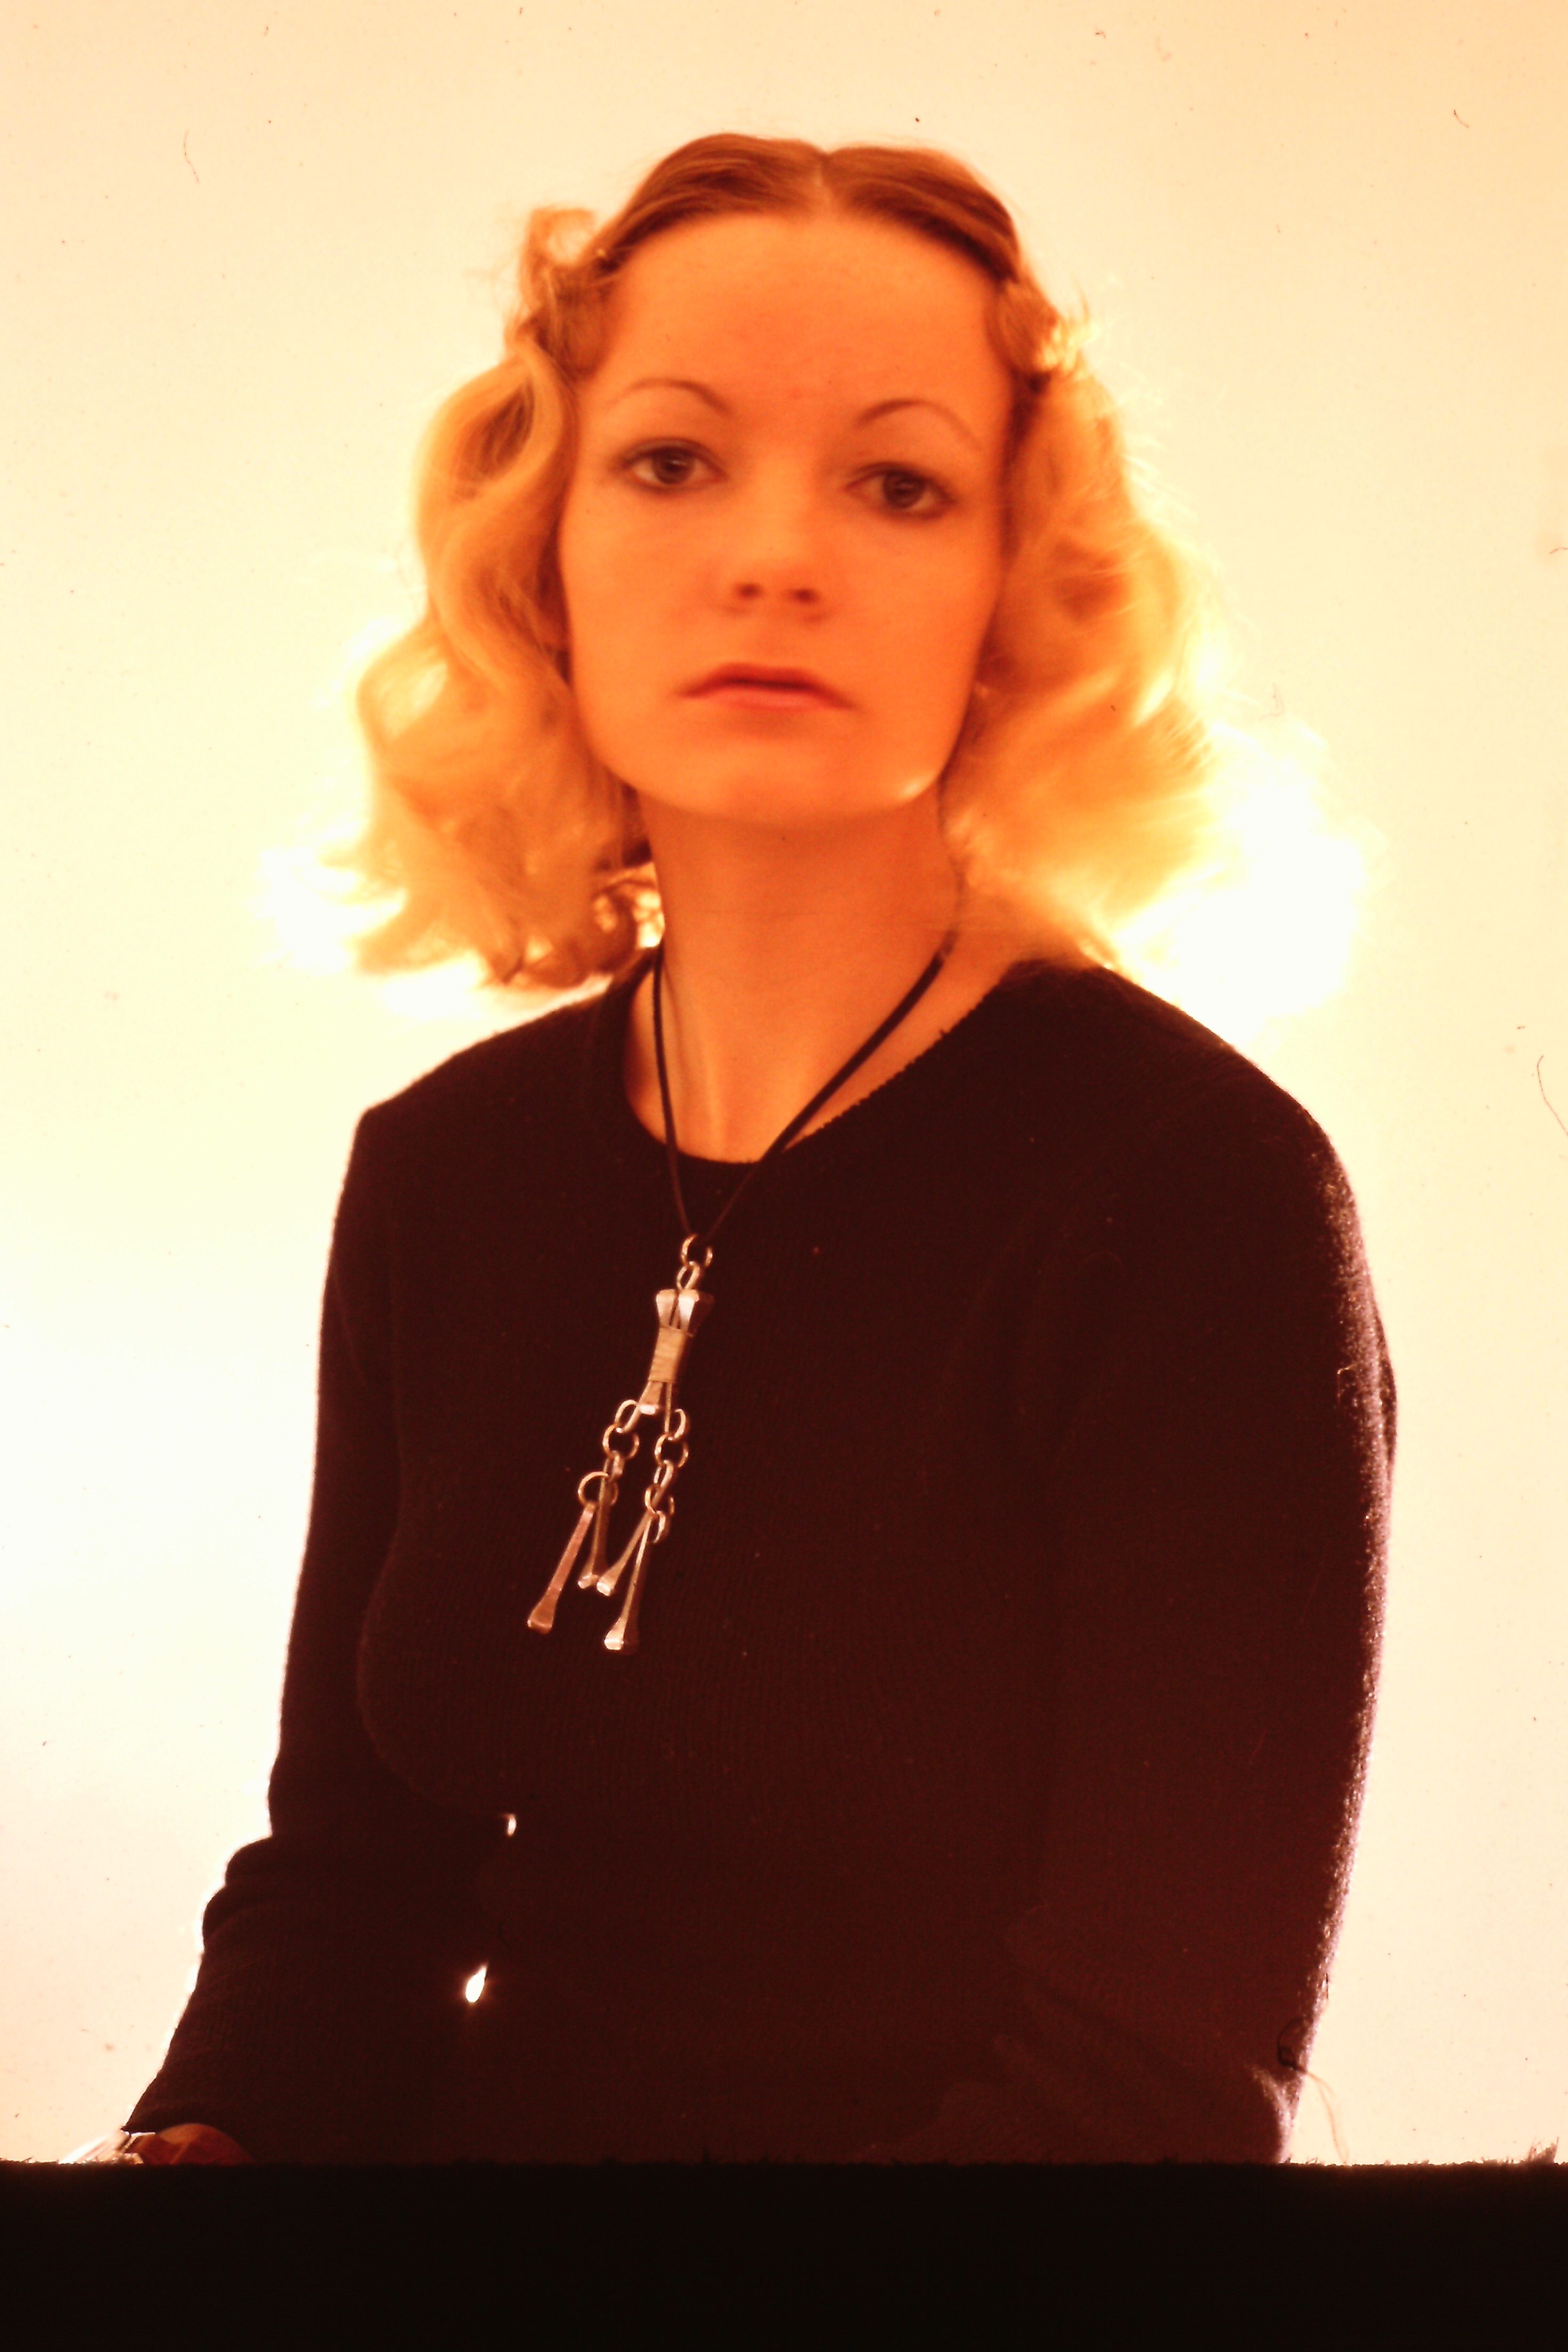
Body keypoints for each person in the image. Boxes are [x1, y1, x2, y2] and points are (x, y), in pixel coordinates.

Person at [70, 133, 1393, 2167]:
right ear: (546, 559)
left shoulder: (1195, 1200)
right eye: (674, 460)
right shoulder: (442, 1171)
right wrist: (193, 2175)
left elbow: (1144, 2110)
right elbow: (353, 1890)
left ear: (1012, 592)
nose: (776, 554)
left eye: (898, 483)